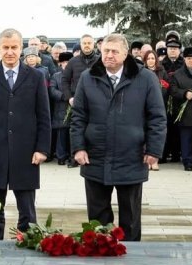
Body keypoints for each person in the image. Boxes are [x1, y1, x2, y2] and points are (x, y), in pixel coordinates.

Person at [70, 34, 166, 241]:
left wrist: (154, 150)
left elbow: (157, 117)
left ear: (125, 53)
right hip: (95, 157)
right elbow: (78, 116)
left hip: (131, 157)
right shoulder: (88, 77)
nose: (109, 55)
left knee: (130, 218)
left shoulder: (145, 78)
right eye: (106, 51)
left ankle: (132, 261)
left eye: (114, 51)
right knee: (97, 220)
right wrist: (78, 147)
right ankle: (99, 255)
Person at [0, 28, 50, 240]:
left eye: (14, 47)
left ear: (21, 48)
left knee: (26, 204)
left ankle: (27, 239)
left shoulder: (35, 76)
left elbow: (44, 115)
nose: (9, 52)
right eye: (5, 47)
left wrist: (42, 148)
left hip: (26, 150)